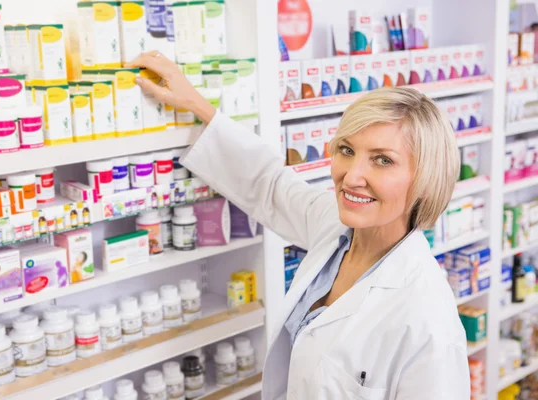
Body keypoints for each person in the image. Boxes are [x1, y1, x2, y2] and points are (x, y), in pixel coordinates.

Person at [128, 51, 469, 399]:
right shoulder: (334, 228)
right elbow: (270, 184)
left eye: (382, 160)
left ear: (425, 180)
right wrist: (195, 103)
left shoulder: (428, 321)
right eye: (347, 150)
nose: (351, 177)